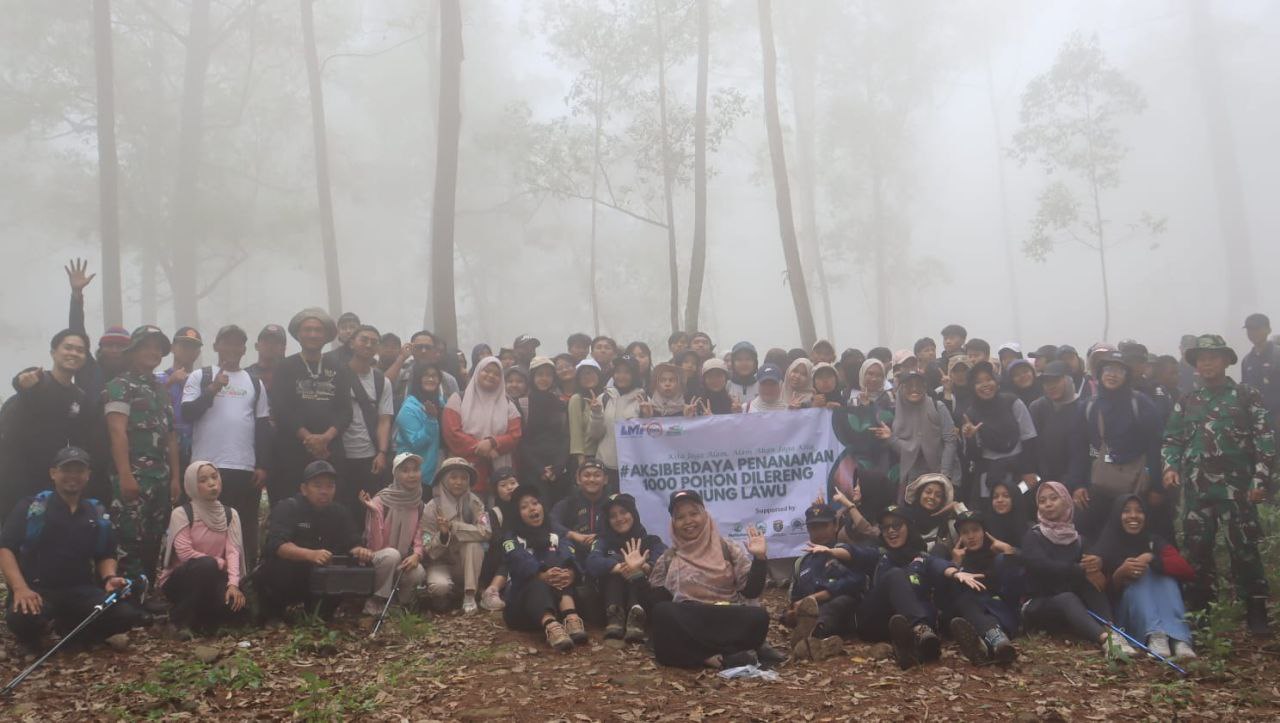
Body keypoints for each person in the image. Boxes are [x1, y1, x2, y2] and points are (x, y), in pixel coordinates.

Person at [1162, 334, 1278, 634]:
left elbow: (1265, 440)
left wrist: (1260, 478)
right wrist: (1170, 466)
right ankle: (1201, 611)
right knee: (1197, 552)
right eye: (1201, 358)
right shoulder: (1187, 400)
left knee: (1245, 551)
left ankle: (1256, 611)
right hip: (1198, 493)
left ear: (1226, 361)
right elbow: (1172, 438)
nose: (1207, 363)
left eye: (1213, 357)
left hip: (1237, 492)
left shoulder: (1245, 395)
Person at [0, 447, 144, 651]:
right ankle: (45, 633)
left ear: (88, 475)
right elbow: (6, 548)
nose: (73, 476)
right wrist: (20, 589)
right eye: (66, 470)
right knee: (22, 618)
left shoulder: (95, 512)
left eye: (79, 471)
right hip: (38, 589)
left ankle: (70, 631)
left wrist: (109, 578)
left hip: (80, 591)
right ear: (53, 473)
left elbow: (105, 553)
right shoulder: (32, 507)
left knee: (126, 615)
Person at [630, 490, 773, 669]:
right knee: (663, 612)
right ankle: (726, 656)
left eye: (693, 513)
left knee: (759, 617)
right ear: (673, 523)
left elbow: (751, 591)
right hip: (690, 620)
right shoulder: (669, 558)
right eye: (680, 517)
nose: (688, 521)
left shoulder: (728, 548)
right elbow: (654, 605)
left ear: (705, 515)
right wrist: (637, 575)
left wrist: (759, 559)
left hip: (724, 617)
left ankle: (699, 655)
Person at [180, 325, 272, 570]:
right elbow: (188, 413)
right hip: (205, 467)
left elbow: (262, 425)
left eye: (237, 344)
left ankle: (242, 577)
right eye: (227, 342)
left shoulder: (255, 382)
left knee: (243, 525)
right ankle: (203, 573)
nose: (232, 348)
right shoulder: (200, 376)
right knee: (203, 525)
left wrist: (262, 465)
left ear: (244, 349)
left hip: (243, 467)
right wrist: (212, 389)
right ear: (216, 346)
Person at [851, 505, 976, 670]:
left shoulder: (922, 558)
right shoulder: (878, 553)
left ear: (908, 527)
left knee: (922, 608)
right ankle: (920, 630)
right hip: (877, 620)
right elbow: (855, 553)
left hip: (903, 623)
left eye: (896, 525)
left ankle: (911, 649)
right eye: (886, 527)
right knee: (895, 575)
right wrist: (832, 551)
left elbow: (938, 565)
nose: (891, 530)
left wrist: (956, 573)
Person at [104, 325, 181, 592]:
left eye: (158, 348)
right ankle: (128, 596)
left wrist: (175, 478)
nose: (153, 352)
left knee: (154, 538)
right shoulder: (119, 386)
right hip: (133, 476)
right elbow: (117, 432)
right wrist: (125, 475)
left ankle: (147, 593)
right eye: (147, 346)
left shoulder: (161, 390)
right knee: (128, 538)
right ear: (133, 350)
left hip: (161, 478)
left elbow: (171, 437)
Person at [1019, 481, 1131, 656]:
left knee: (1091, 584)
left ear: (1066, 501)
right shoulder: (1033, 536)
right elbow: (1041, 566)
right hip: (1039, 606)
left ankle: (1113, 631)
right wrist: (1079, 569)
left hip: (1073, 611)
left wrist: (1095, 567)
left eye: (1054, 498)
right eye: (1042, 501)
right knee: (1067, 598)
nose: (1048, 504)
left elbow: (1091, 570)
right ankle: (1106, 641)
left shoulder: (1079, 540)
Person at [257, 460, 373, 624]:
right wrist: (310, 555)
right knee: (279, 567)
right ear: (304, 489)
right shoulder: (288, 507)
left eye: (330, 486)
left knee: (346, 566)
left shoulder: (340, 512)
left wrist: (360, 551)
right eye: (317, 486)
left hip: (322, 577)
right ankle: (274, 615)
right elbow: (277, 545)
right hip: (291, 574)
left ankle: (320, 613)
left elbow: (352, 542)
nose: (324, 491)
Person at [1090, 494, 1196, 660]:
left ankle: (1179, 639)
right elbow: (1098, 593)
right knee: (1141, 576)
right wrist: (1120, 574)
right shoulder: (1106, 545)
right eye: (1126, 511)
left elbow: (1186, 570)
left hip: (1163, 609)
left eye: (1139, 511)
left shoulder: (1153, 541)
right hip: (1127, 615)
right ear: (1117, 515)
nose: (1133, 516)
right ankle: (1155, 636)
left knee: (1166, 577)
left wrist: (1151, 558)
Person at [1, 328, 92, 519]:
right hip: (13, 472)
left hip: (49, 476)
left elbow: (77, 439)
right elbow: (21, 381)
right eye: (68, 347)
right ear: (53, 352)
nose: (74, 353)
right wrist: (23, 382)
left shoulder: (79, 397)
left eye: (80, 350)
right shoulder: (39, 379)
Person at [268, 308, 352, 508]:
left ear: (326, 335)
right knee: (291, 506)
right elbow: (281, 408)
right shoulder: (284, 367)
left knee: (331, 507)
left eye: (318, 330)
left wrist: (326, 438)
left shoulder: (339, 368)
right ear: (298, 334)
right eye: (307, 329)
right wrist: (309, 438)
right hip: (292, 451)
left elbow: (345, 411)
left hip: (329, 451)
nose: (312, 334)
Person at [1079, 352, 1165, 542]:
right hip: (1101, 485)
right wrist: (1079, 484)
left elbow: (1155, 445)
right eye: (1108, 369)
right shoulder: (1089, 406)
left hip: (1137, 485)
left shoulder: (1140, 403)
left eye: (1119, 370)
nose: (1112, 374)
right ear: (1100, 373)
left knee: (1137, 536)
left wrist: (1157, 487)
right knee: (1095, 534)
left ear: (1127, 375)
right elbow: (1081, 449)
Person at [158, 462, 247, 637]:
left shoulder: (230, 514)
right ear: (192, 485)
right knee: (206, 565)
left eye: (214, 477)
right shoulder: (182, 513)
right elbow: (185, 553)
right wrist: (219, 562)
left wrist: (233, 585)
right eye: (203, 480)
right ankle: (179, 621)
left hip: (214, 576)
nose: (212, 483)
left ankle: (204, 622)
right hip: (182, 578)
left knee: (236, 606)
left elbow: (233, 551)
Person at [500, 484, 585, 651]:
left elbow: (568, 551)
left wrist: (570, 573)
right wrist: (541, 573)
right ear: (517, 513)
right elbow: (519, 559)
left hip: (556, 601)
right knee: (536, 580)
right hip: (521, 608)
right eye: (524, 507)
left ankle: (570, 617)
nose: (532, 508)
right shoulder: (511, 538)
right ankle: (551, 626)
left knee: (562, 571)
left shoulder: (555, 533)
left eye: (535, 503)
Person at [941, 510, 1019, 665]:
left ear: (985, 532)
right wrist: (956, 564)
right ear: (960, 537)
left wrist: (1009, 552)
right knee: (965, 602)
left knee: (980, 604)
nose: (971, 536)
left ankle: (992, 643)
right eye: (965, 532)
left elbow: (1013, 588)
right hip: (967, 612)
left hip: (998, 610)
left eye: (975, 530)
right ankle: (993, 644)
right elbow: (947, 597)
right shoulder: (956, 561)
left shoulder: (998, 557)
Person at [586, 493, 666, 642]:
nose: (619, 518)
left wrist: (643, 567)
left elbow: (663, 562)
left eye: (623, 512)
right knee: (616, 564)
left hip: (644, 600)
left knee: (635, 570)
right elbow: (591, 562)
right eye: (613, 516)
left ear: (633, 514)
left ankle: (636, 615)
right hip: (606, 602)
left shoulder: (651, 540)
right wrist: (618, 566)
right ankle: (615, 616)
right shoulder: (602, 541)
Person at [782, 503, 858, 661]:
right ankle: (813, 641)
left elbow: (856, 582)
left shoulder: (846, 552)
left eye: (823, 526)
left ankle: (811, 635)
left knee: (842, 601)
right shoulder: (802, 563)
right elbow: (795, 598)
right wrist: (791, 612)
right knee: (792, 613)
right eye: (813, 527)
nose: (818, 532)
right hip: (809, 614)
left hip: (844, 613)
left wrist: (817, 597)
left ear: (835, 525)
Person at [337, 325, 394, 529]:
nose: (369, 344)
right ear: (352, 343)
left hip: (369, 456)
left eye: (374, 341)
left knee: (369, 509)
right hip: (339, 453)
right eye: (364, 339)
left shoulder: (381, 381)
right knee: (340, 507)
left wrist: (382, 452)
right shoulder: (336, 375)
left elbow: (384, 419)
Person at [443, 356, 524, 499]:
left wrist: (492, 443)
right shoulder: (458, 399)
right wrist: (482, 448)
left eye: (496, 374)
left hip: (500, 477)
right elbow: (452, 433)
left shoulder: (507, 403)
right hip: (466, 474)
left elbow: (515, 434)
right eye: (486, 371)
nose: (491, 375)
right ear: (477, 371)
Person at [959, 361, 1038, 507]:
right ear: (972, 387)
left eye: (989, 379)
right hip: (988, 474)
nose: (985, 385)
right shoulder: (970, 413)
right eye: (978, 382)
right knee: (991, 511)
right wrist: (970, 438)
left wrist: (1028, 471)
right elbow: (973, 456)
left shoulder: (1013, 401)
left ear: (996, 381)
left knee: (1021, 507)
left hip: (1019, 470)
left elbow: (1029, 438)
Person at [358, 453, 429, 615]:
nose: (412, 475)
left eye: (415, 470)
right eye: (405, 470)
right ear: (396, 474)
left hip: (401, 560)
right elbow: (374, 545)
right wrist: (374, 514)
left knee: (418, 572)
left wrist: (417, 555)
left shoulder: (419, 505)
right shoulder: (380, 500)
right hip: (378, 558)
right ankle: (376, 599)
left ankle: (398, 604)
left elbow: (422, 536)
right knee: (392, 555)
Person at [421, 458, 491, 613]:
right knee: (440, 587)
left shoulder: (475, 503)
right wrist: (443, 534)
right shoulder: (431, 507)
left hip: (466, 565)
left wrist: (455, 527)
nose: (459, 482)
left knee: (473, 545)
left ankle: (469, 596)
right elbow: (428, 547)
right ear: (443, 479)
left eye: (464, 478)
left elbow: (486, 531)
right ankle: (446, 596)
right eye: (453, 477)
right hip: (440, 563)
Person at [551, 457, 610, 619]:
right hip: (574, 558)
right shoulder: (568, 503)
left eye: (597, 475)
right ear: (578, 479)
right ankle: (570, 615)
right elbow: (550, 522)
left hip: (603, 557)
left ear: (605, 479)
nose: (592, 479)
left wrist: (600, 536)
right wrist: (573, 534)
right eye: (587, 475)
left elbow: (626, 527)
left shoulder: (613, 503)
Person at [1028, 361, 1090, 510]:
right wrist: (1029, 473)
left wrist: (1079, 484)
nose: (1051, 386)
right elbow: (1030, 445)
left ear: (1068, 380)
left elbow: (1087, 453)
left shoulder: (1084, 408)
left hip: (1072, 482)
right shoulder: (1037, 407)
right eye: (1046, 382)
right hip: (1039, 478)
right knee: (1017, 492)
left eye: (1056, 380)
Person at [833, 359, 898, 496]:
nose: (874, 378)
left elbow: (886, 422)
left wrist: (869, 406)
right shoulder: (848, 397)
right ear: (862, 374)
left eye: (879, 375)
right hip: (859, 457)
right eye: (870, 373)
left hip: (885, 456)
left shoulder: (891, 398)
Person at [889, 371, 959, 487]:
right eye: (909, 385)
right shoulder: (896, 413)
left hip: (942, 473)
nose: (914, 389)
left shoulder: (938, 406)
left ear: (924, 387)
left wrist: (944, 475)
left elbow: (950, 441)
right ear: (902, 388)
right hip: (914, 478)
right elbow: (901, 451)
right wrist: (890, 438)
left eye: (918, 385)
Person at [518, 357, 571, 504]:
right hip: (531, 470)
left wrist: (557, 467)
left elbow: (565, 437)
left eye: (548, 375)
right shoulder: (523, 404)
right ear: (532, 377)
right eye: (540, 374)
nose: (544, 379)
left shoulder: (560, 404)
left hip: (557, 470)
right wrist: (539, 469)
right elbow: (521, 441)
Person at [588, 357, 645, 490]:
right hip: (606, 466)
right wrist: (596, 414)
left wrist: (647, 416)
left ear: (634, 374)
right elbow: (595, 435)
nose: (621, 376)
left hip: (633, 468)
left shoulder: (643, 399)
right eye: (618, 371)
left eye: (627, 372)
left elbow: (649, 438)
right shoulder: (604, 398)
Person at [393, 361, 445, 489]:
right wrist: (431, 420)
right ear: (418, 379)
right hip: (412, 476)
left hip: (434, 474)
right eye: (426, 375)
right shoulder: (408, 408)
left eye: (434, 375)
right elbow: (416, 443)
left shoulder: (440, 402)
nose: (431, 379)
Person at [158, 327, 203, 470]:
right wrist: (170, 382)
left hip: (196, 450)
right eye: (184, 346)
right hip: (163, 448)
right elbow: (148, 404)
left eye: (193, 347)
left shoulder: (204, 381)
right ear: (172, 348)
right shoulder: (158, 378)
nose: (189, 351)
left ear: (198, 353)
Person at [479, 468, 520, 611]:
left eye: (513, 483)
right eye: (503, 485)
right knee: (511, 552)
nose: (510, 488)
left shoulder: (527, 506)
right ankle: (491, 592)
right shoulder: (493, 513)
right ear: (496, 490)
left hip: (524, 553)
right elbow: (496, 540)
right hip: (499, 557)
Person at [902, 473, 965, 554]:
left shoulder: (949, 526)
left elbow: (972, 526)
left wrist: (957, 507)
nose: (932, 497)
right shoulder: (905, 520)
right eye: (928, 492)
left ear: (942, 501)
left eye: (938, 495)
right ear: (919, 493)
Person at [395, 330, 461, 406]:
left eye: (428, 347)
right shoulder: (401, 376)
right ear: (412, 350)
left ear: (434, 351)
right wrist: (402, 357)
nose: (423, 351)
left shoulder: (448, 381)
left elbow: (456, 409)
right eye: (419, 347)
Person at [1243, 313, 1280, 422]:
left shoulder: (1277, 355)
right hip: (1254, 420)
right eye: (1250, 329)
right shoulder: (1246, 361)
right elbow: (1245, 389)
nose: (1253, 333)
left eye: (1257, 328)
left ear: (1268, 330)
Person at [567, 359, 604, 468]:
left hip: (605, 455)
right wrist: (581, 461)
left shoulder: (606, 397)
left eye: (590, 373)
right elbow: (575, 432)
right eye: (582, 375)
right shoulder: (577, 399)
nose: (587, 377)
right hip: (588, 456)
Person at [984, 480, 1030, 549]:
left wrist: (1011, 551)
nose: (999, 500)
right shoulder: (985, 528)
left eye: (1006, 496)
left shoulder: (1029, 531)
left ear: (1015, 498)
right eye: (995, 496)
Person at [247, 324, 288, 392]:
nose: (270, 345)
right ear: (256, 346)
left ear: (283, 349)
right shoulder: (246, 375)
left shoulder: (291, 376)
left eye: (276, 342)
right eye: (266, 341)